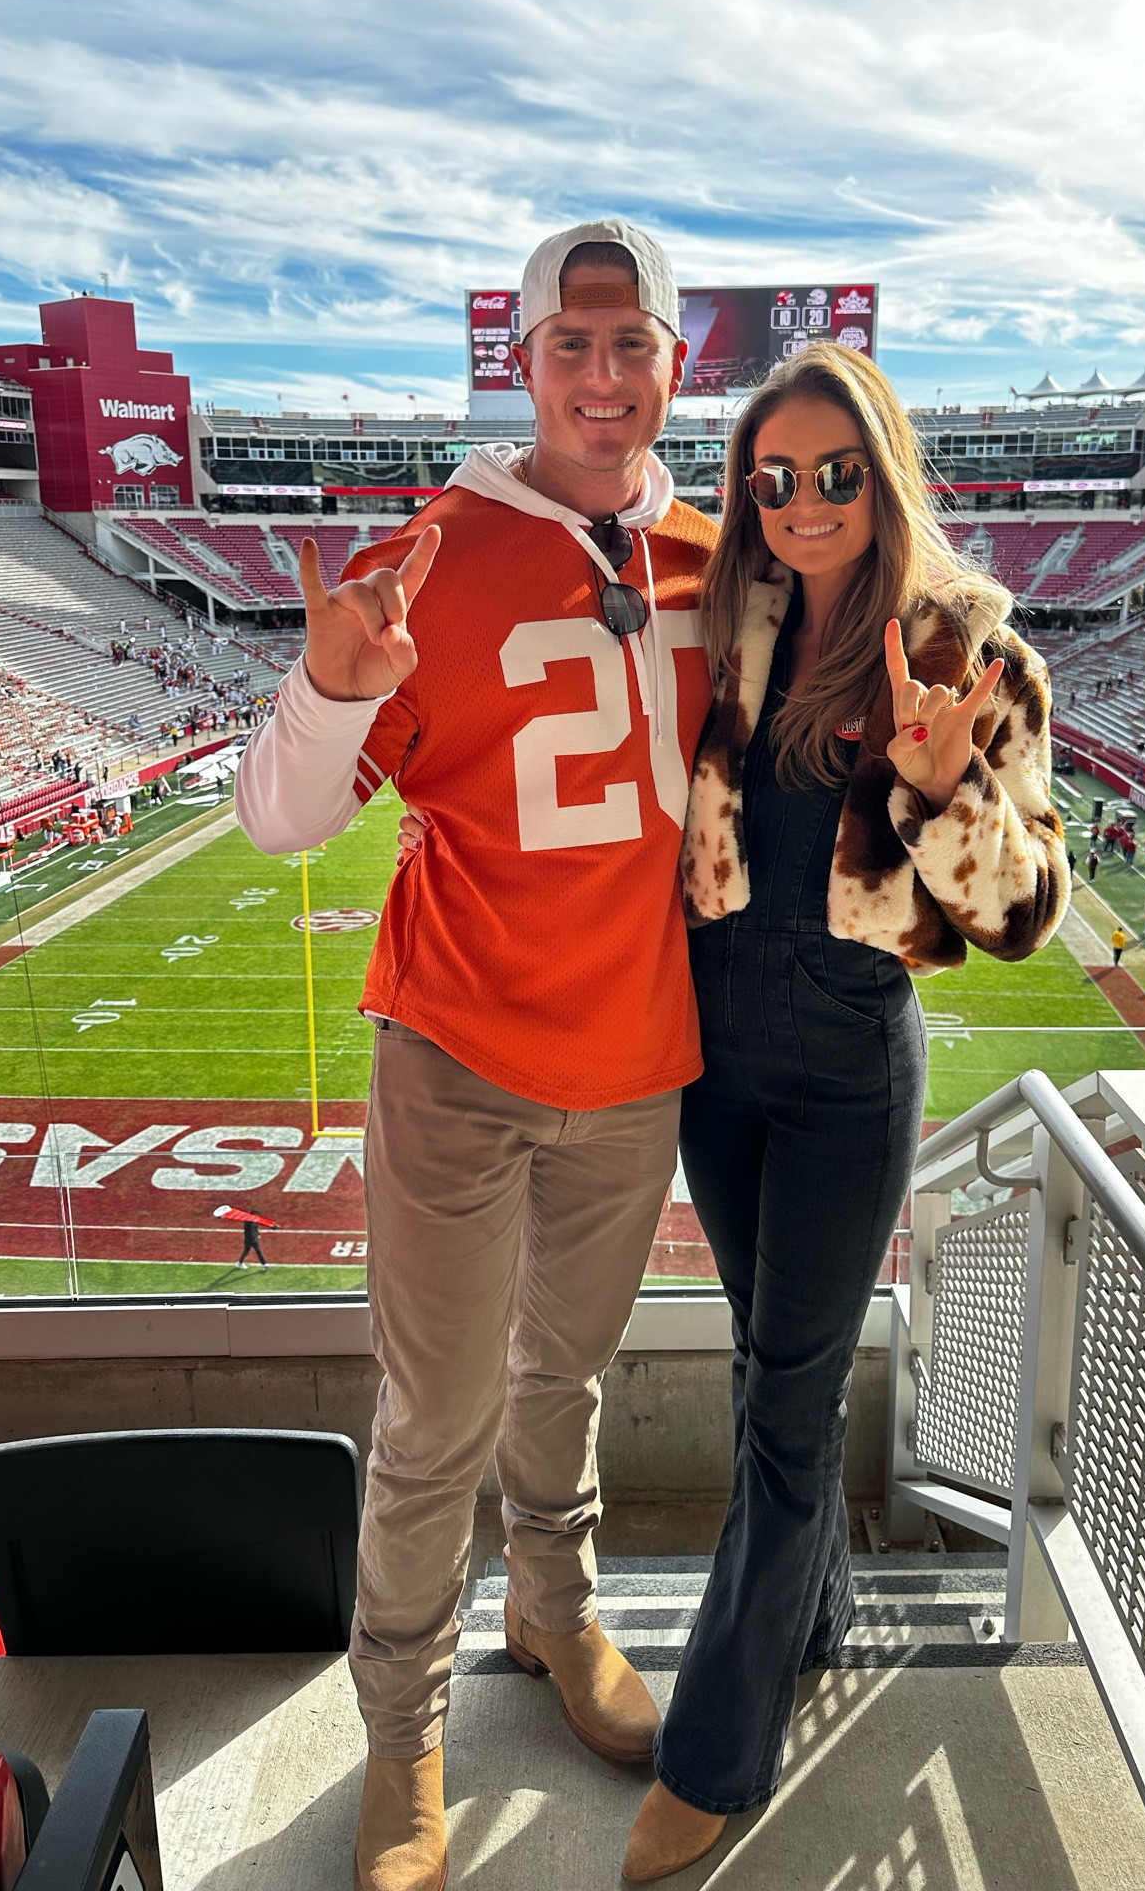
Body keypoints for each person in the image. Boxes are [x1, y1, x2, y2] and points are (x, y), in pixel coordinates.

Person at [236, 220, 714, 1891]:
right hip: (456, 1054)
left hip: (639, 1063)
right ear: (519, 364)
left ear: (676, 362)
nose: (601, 372)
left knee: (565, 1388)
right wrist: (327, 687)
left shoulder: (724, 560)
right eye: (568, 344)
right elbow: (282, 823)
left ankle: (553, 1615)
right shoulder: (433, 555)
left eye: (630, 341)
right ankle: (403, 1731)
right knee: (436, 1415)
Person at [622, 342, 1068, 1881]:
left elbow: (1021, 921)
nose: (802, 503)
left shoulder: (971, 649)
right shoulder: (729, 619)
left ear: (884, 471)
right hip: (713, 1060)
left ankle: (713, 1752)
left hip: (843, 1068)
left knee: (787, 1416)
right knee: (764, 1360)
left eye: (833, 473)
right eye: (773, 478)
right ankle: (813, 1618)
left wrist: (952, 788)